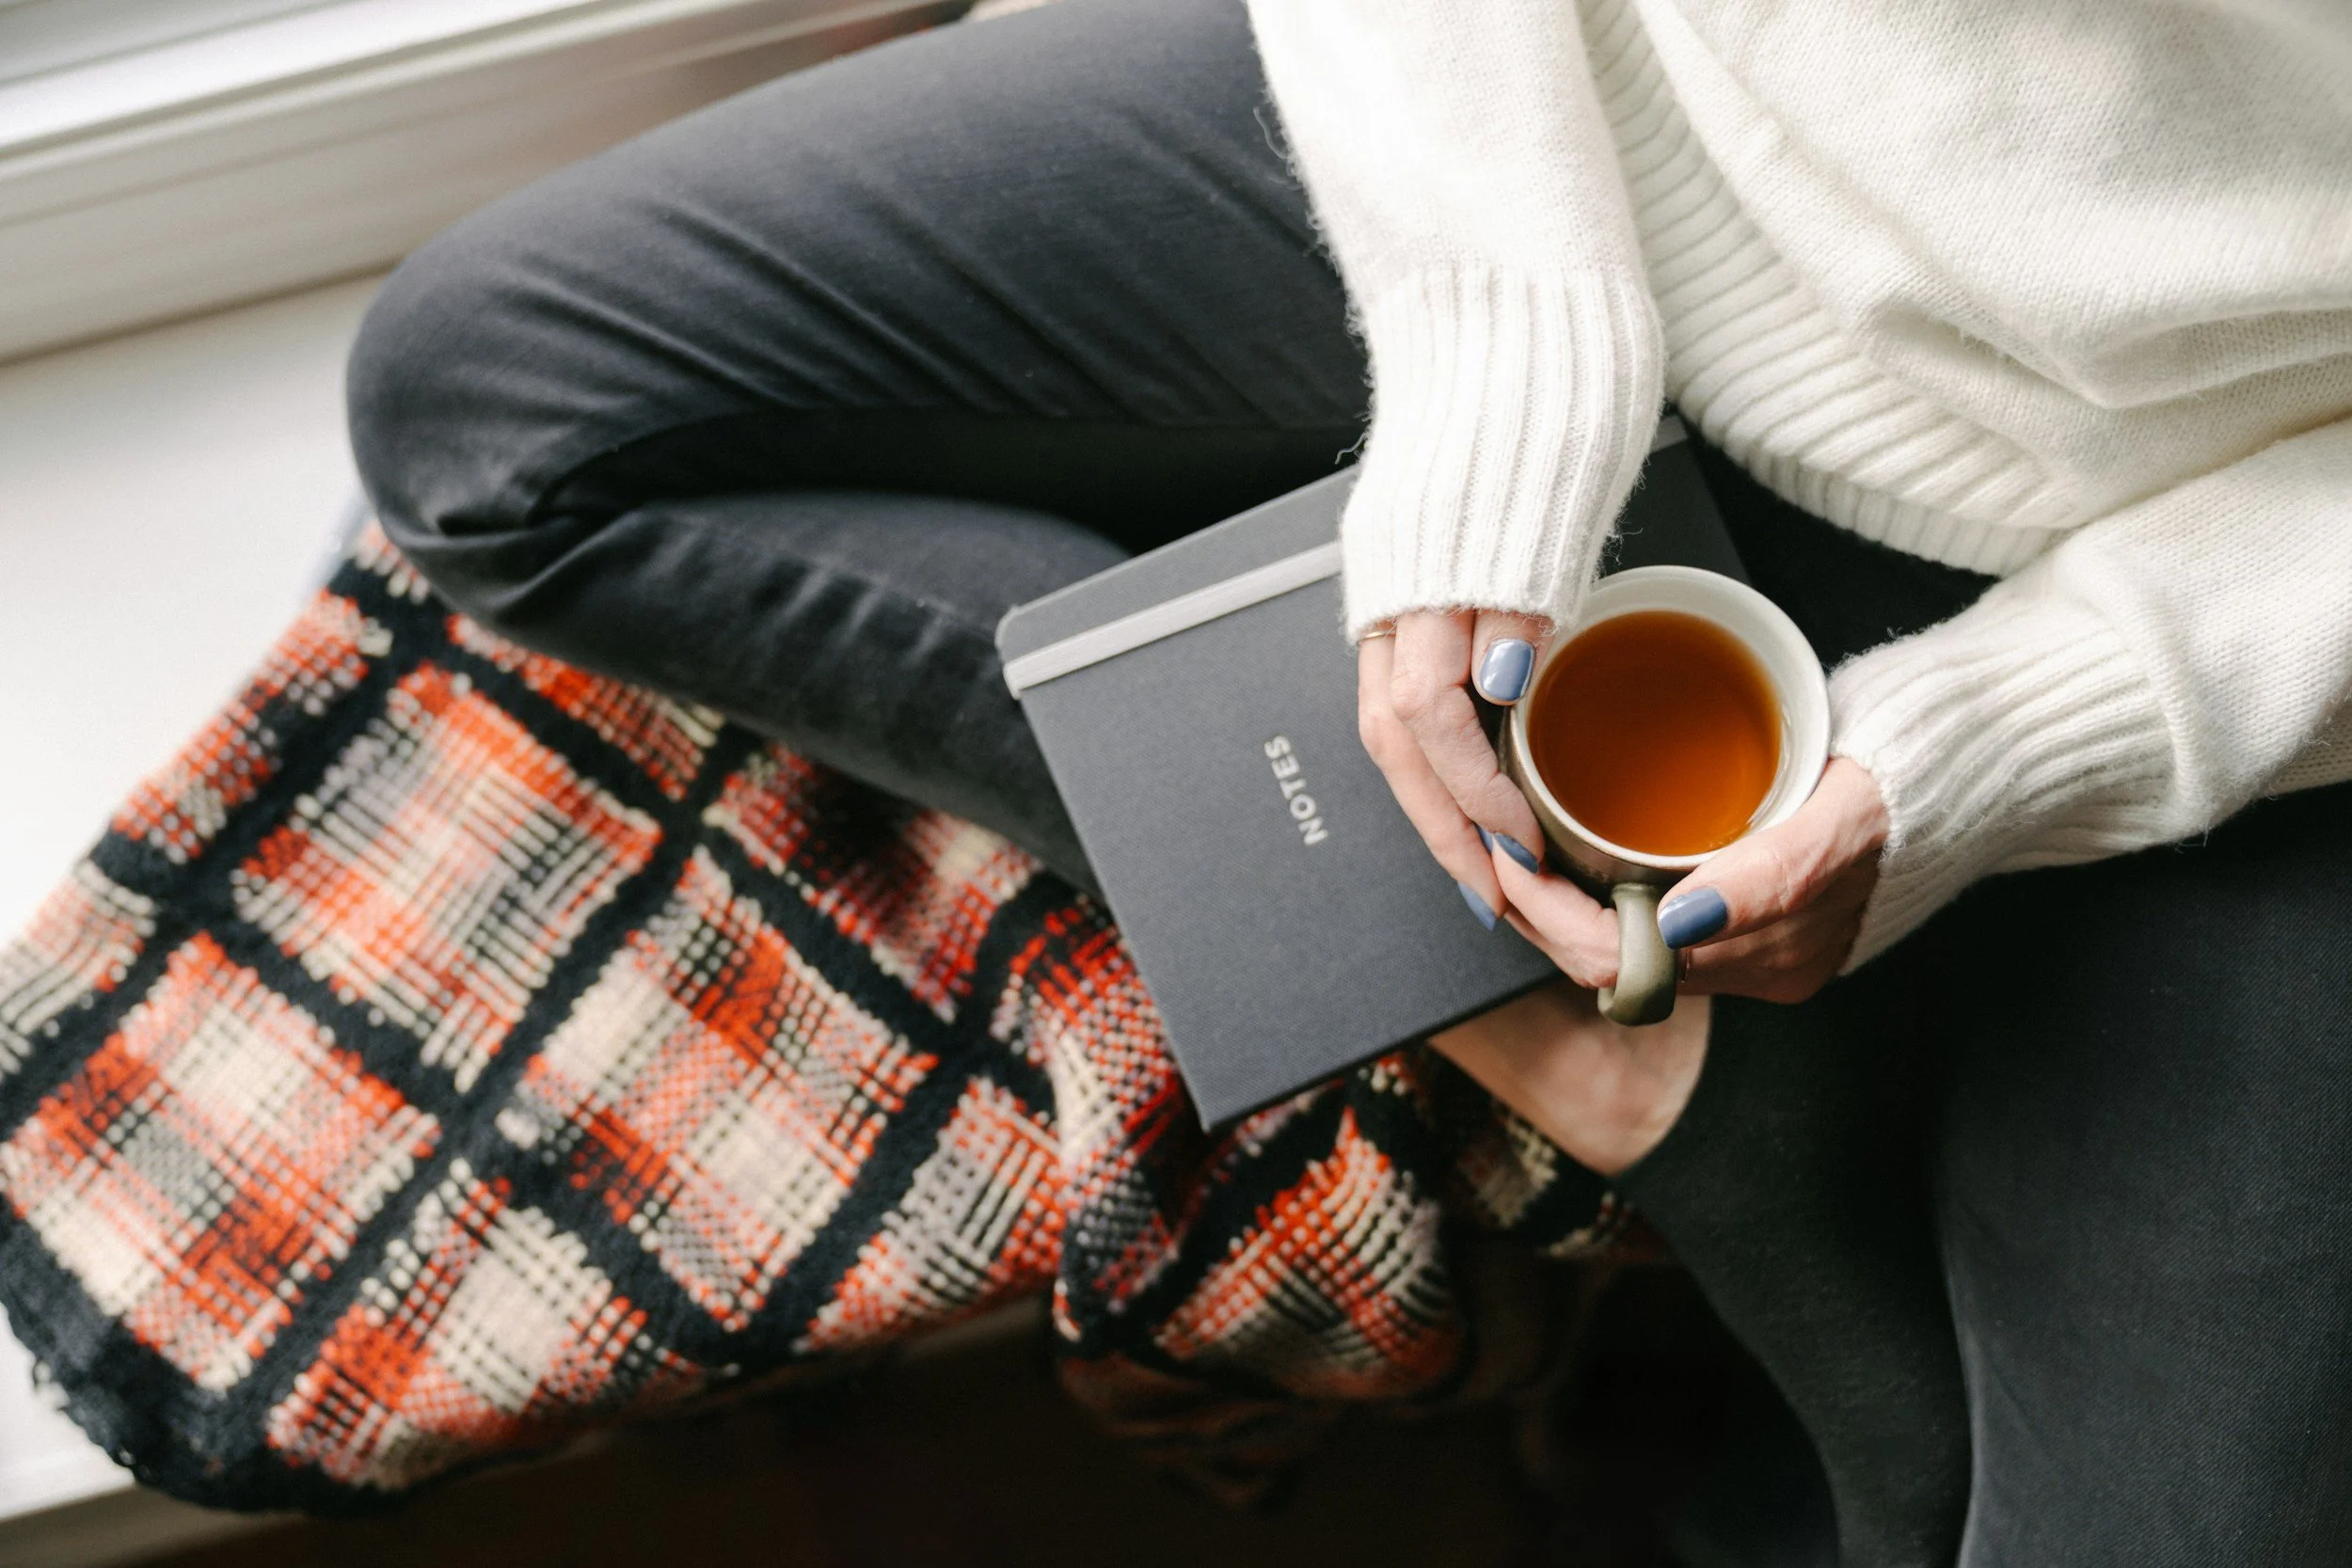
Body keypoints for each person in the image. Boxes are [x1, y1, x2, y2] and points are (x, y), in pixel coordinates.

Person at [345, 1, 2352, 1562]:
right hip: (1630, 136)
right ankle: (1615, 1052)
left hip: (2260, 563)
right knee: (488, 406)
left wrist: (2017, 735)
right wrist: (1499, 365)